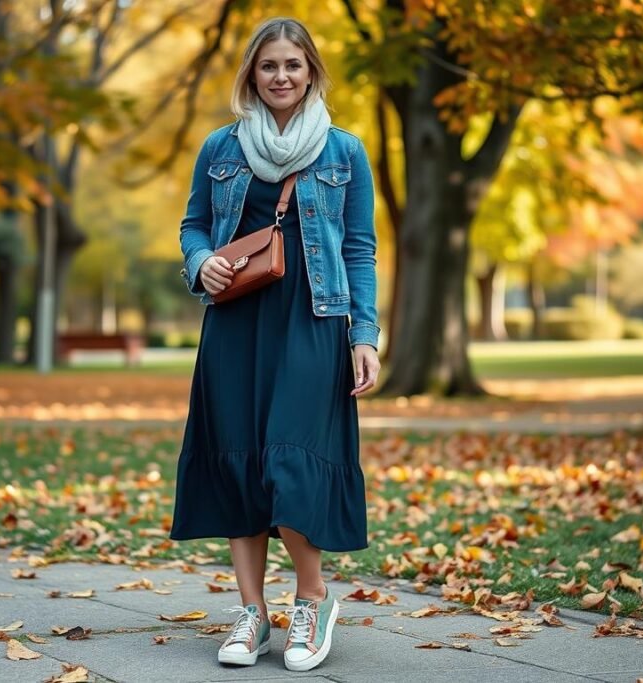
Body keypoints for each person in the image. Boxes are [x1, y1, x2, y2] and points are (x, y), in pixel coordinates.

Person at [170, 16, 380, 673]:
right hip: (235, 321)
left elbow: (359, 247)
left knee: (289, 458)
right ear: (252, 76)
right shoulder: (220, 147)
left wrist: (366, 332)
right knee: (239, 459)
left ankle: (313, 600)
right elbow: (194, 224)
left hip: (313, 319)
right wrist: (200, 261)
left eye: (293, 64)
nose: (282, 76)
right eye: (269, 66)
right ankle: (252, 611)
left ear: (311, 71)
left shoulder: (344, 151)